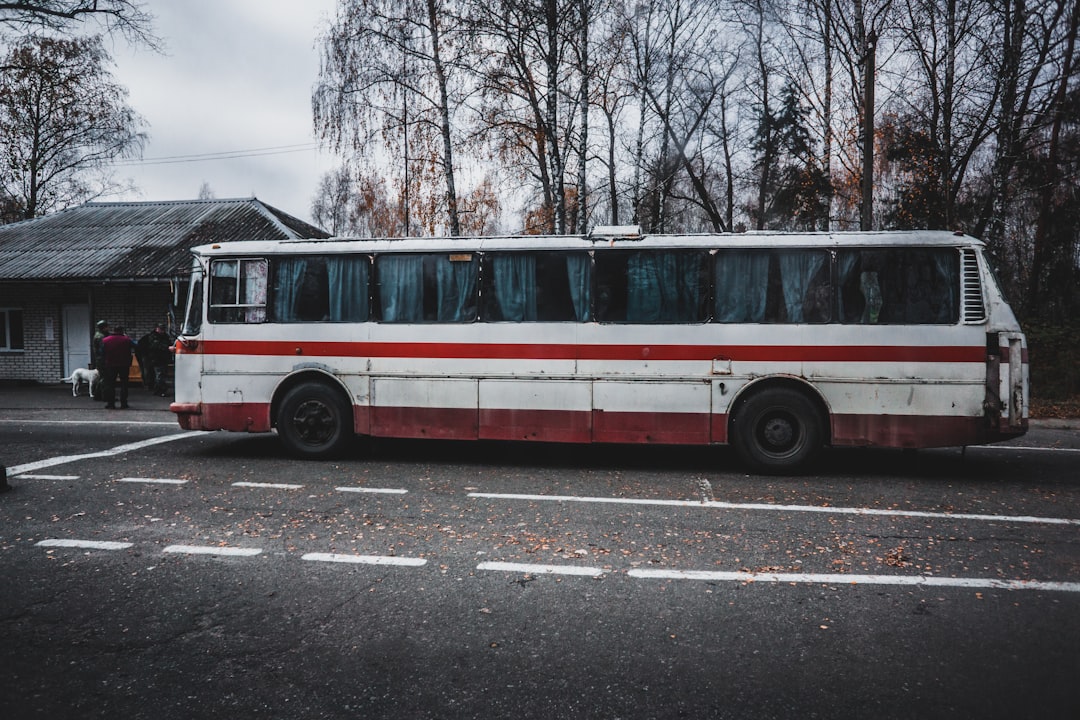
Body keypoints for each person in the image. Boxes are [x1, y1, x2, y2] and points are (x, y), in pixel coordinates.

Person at [100, 326, 135, 409]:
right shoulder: (126, 340)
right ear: (122, 331)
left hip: (110, 365)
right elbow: (136, 345)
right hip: (124, 364)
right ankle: (123, 403)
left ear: (114, 331)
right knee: (124, 384)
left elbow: (101, 352)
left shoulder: (106, 340)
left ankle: (111, 403)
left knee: (110, 384)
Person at [138, 324, 172, 397]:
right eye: (160, 329)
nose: (162, 330)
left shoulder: (164, 336)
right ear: (157, 329)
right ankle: (159, 390)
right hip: (156, 358)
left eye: (163, 329)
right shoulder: (153, 336)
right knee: (159, 375)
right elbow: (156, 345)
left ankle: (158, 389)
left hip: (162, 358)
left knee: (161, 374)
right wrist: (167, 348)